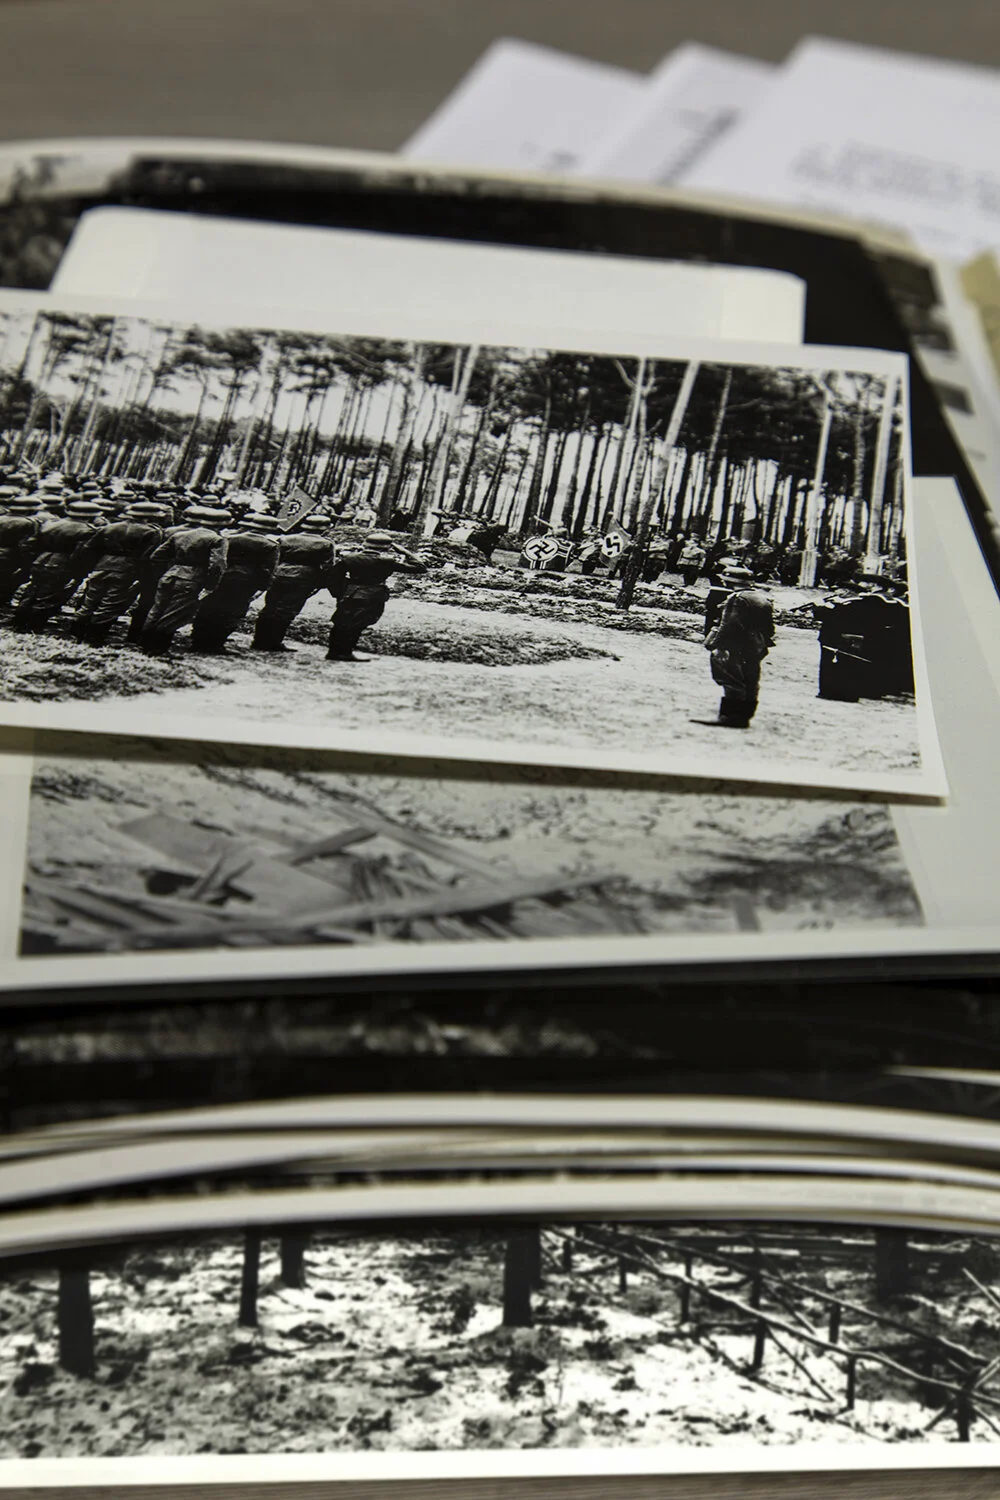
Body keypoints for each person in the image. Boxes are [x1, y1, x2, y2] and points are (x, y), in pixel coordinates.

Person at [72, 500, 169, 646]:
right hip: (128, 570)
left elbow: (89, 548)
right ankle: (93, 639)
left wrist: (94, 565)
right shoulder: (153, 532)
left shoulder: (110, 527)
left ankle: (76, 633)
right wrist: (143, 577)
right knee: (111, 604)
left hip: (102, 566)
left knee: (90, 601)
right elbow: (149, 558)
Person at [136, 505, 230, 654]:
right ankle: (157, 648)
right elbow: (217, 566)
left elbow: (156, 556)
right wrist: (210, 586)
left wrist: (165, 571)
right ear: (222, 525)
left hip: (171, 574)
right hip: (192, 579)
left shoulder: (180, 534)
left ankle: (144, 643)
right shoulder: (217, 539)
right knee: (174, 614)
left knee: (157, 610)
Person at [326, 530, 426, 662]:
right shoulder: (386, 561)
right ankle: (344, 653)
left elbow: (333, 576)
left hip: (350, 593)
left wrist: (339, 592)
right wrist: (403, 551)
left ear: (364, 544)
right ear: (387, 547)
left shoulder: (350, 558)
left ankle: (334, 651)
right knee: (357, 625)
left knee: (341, 622)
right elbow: (420, 567)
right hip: (372, 595)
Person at [190, 513, 280, 654]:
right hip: (246, 582)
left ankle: (198, 639)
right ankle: (215, 644)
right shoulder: (270, 545)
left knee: (210, 607)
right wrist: (262, 587)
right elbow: (267, 569)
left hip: (223, 577)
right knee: (232, 612)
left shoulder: (230, 538)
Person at [251, 511, 340, 653]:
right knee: (287, 610)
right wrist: (322, 583)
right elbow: (327, 566)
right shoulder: (326, 544)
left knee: (270, 607)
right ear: (324, 528)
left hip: (279, 574)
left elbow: (275, 558)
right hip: (303, 578)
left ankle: (259, 640)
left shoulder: (285, 538)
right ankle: (273, 642)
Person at [11, 499, 105, 633]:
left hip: (41, 560)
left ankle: (18, 622)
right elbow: (81, 554)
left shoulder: (50, 524)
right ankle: (33, 627)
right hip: (62, 564)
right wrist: (78, 572)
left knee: (32, 591)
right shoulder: (88, 530)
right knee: (48, 596)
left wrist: (33, 560)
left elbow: (32, 543)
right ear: (91, 515)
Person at [815, 575, 913, 701]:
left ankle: (866, 690)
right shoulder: (890, 601)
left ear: (876, 586)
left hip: (869, 636)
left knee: (857, 663)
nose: (863, 585)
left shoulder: (872, 600)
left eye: (867, 583)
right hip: (885, 636)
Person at [704, 571, 776, 728]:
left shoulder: (736, 598)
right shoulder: (762, 598)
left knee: (731, 678)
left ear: (732, 582)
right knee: (750, 679)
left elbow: (729, 624)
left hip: (736, 644)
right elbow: (769, 628)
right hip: (755, 644)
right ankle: (745, 717)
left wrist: (720, 646)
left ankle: (730, 717)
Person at [0, 494, 44, 608]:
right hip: (12, 555)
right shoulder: (30, 522)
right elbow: (26, 545)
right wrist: (26, 562)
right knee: (9, 580)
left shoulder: (1, 517)